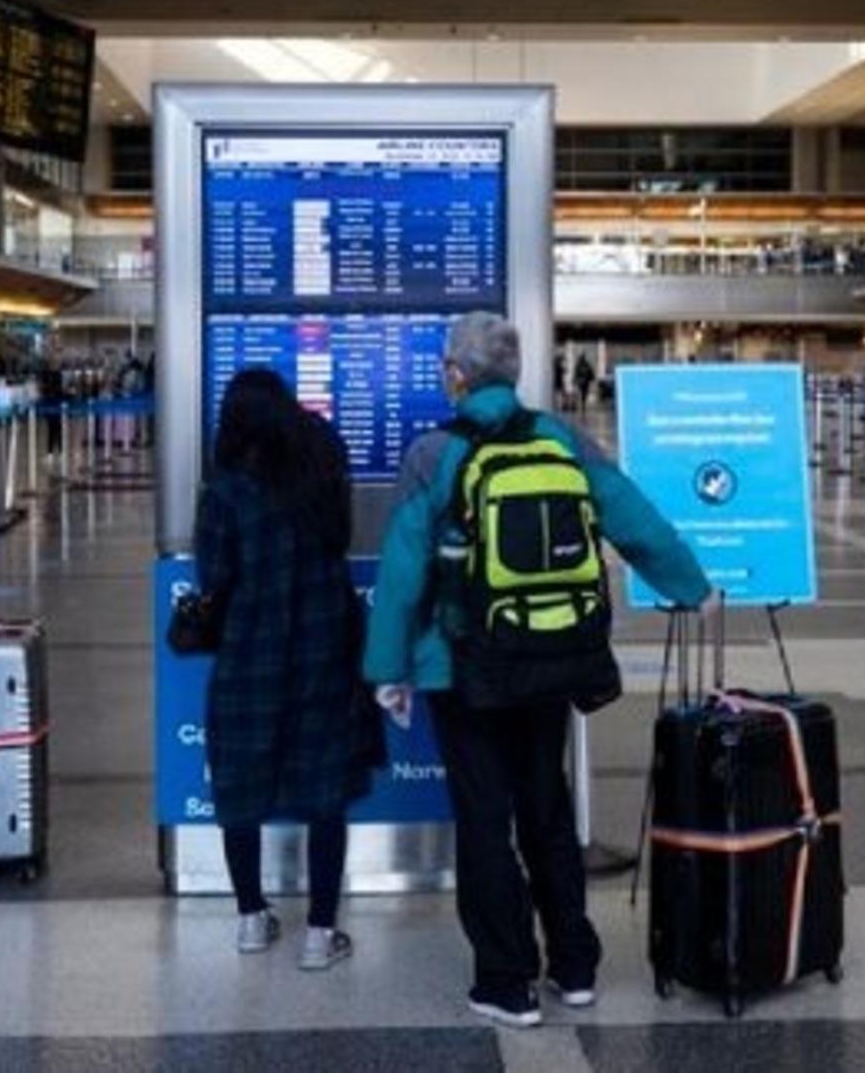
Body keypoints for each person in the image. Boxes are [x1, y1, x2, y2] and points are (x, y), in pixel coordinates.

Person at [363, 311, 715, 1028]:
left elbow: (402, 570)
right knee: (545, 806)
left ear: (456, 375)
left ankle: (505, 980)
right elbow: (630, 515)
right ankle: (575, 966)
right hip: (550, 657)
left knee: (484, 818)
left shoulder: (435, 453)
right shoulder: (559, 437)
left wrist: (387, 668)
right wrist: (691, 584)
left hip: (461, 666)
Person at [192, 368, 382, 971]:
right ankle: (321, 934)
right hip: (325, 644)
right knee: (325, 790)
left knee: (239, 784)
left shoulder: (224, 489)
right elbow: (343, 537)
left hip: (251, 651)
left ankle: (252, 918)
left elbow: (212, 577)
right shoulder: (323, 458)